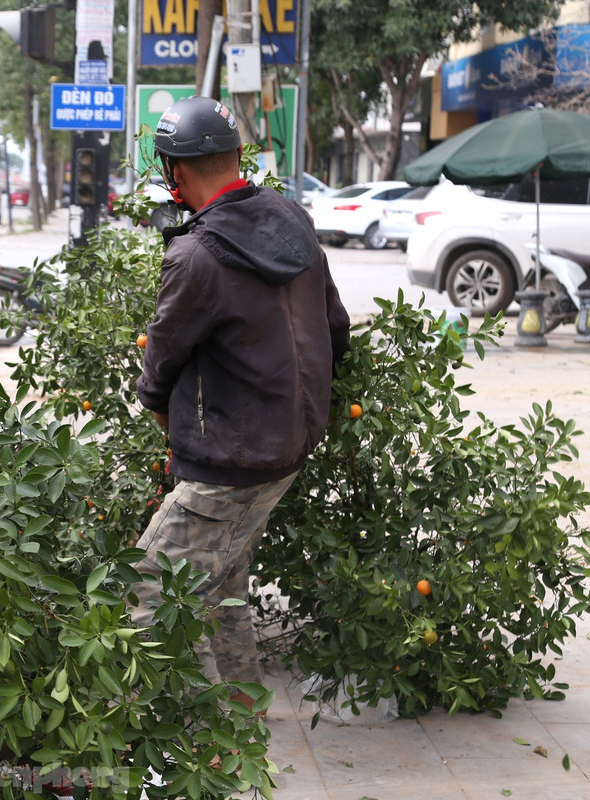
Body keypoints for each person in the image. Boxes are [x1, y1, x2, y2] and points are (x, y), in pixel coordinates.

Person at [130, 95, 351, 710]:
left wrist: (171, 425)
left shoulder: (195, 255)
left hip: (226, 467)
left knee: (144, 601)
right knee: (223, 585)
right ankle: (243, 722)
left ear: (174, 171)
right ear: (236, 156)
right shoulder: (292, 218)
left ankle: (137, 746)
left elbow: (160, 366)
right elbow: (336, 330)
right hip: (287, 450)